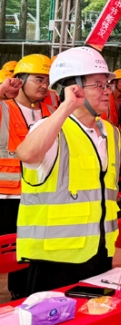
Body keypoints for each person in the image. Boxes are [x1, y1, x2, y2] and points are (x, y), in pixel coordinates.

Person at [16, 47, 120, 295]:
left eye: (107, 85)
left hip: (100, 252)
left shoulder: (110, 132)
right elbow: (27, 154)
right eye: (99, 85)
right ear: (74, 88)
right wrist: (66, 107)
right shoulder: (52, 128)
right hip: (56, 260)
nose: (107, 91)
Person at [0, 55, 55, 298]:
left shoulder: (51, 111)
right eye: (38, 79)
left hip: (40, 193)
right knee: (8, 250)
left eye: (47, 80)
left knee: (31, 248)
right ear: (20, 80)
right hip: (8, 195)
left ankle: (22, 293)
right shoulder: (4, 107)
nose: (44, 85)